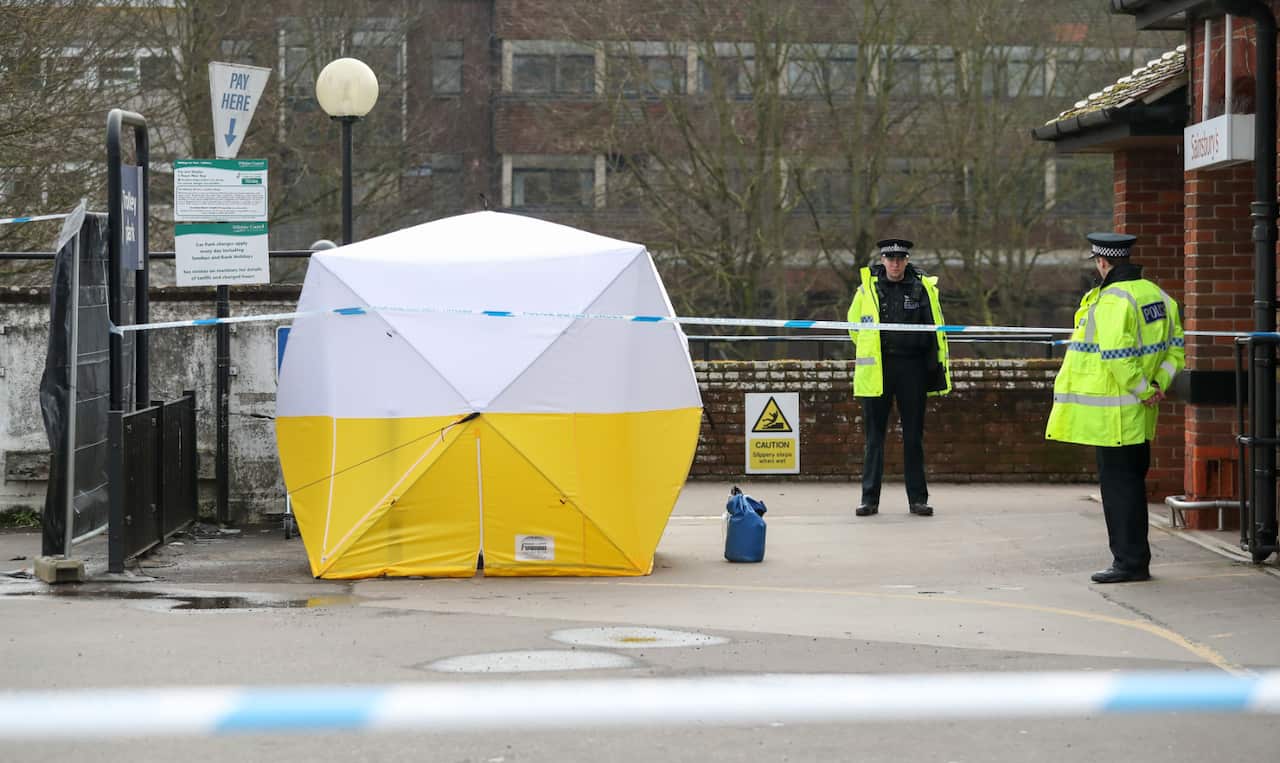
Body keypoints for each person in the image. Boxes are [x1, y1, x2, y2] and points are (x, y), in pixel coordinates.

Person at [1046, 232, 1185, 584]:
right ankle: (1136, 558)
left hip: (1115, 417)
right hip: (1140, 414)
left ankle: (1128, 563)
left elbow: (1116, 356)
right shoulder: (1159, 296)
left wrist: (1141, 389)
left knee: (1119, 491)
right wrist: (1156, 388)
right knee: (1133, 486)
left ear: (1103, 262)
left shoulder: (1111, 300)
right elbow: (1176, 350)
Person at [847, 238, 951, 518]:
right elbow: (853, 327)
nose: (894, 263)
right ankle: (869, 500)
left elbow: (934, 325)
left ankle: (918, 499)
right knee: (874, 439)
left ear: (906, 260)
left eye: (899, 258)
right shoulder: (867, 289)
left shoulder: (922, 287)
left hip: (912, 368)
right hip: (878, 368)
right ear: (882, 260)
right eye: (889, 258)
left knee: (913, 437)